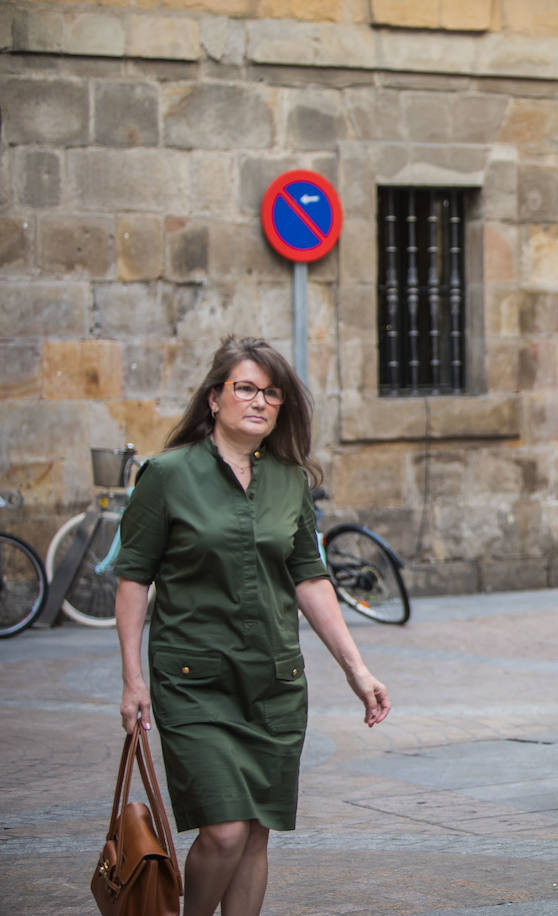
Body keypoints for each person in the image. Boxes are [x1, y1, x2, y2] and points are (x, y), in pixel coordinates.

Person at [114, 336, 390, 916]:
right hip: (193, 680)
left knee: (257, 832)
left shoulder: (290, 480)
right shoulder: (165, 475)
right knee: (225, 832)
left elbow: (310, 580)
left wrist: (356, 670)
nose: (259, 401)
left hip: (273, 683)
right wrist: (132, 680)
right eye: (245, 388)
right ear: (214, 399)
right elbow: (134, 578)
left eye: (271, 393)